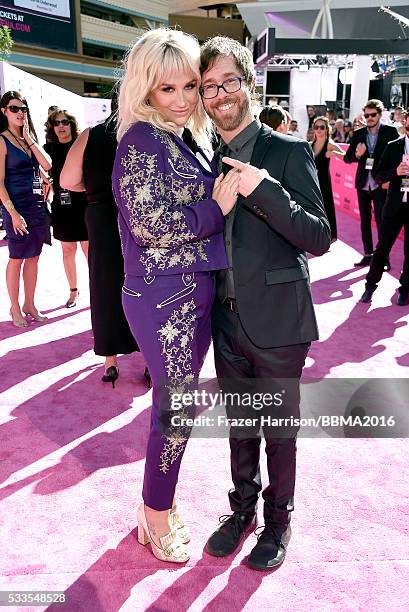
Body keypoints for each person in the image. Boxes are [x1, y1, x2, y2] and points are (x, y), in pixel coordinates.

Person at [199, 37, 330, 571]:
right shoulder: (202, 155)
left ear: (249, 85)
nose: (221, 93)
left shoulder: (287, 150)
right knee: (240, 426)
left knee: (279, 430)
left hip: (278, 322)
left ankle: (279, 520)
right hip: (224, 319)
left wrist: (265, 189)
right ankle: (243, 508)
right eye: (210, 86)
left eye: (230, 81)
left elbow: (320, 236)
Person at [112, 28, 236, 563]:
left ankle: (156, 503)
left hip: (195, 291)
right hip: (164, 296)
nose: (184, 99)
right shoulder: (141, 139)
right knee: (176, 409)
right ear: (145, 90)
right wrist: (217, 208)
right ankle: (154, 514)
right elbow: (147, 225)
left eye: (190, 86)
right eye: (168, 89)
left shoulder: (184, 136)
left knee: (179, 409)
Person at [60, 90, 145, 389]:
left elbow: (67, 181)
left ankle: (110, 361)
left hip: (101, 216)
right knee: (143, 286)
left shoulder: (90, 135)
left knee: (104, 284)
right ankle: (148, 360)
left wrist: (93, 189)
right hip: (138, 217)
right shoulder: (145, 134)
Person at [0, 91, 52, 327]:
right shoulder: (1, 140)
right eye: (14, 108)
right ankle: (14, 306)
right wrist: (12, 213)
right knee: (17, 258)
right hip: (16, 206)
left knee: (34, 257)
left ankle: (29, 304)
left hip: (36, 205)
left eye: (23, 109)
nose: (20, 113)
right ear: (4, 111)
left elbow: (47, 165)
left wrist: (29, 138)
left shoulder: (26, 139)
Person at [360, 110, 409, 306]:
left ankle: (405, 289)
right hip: (394, 208)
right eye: (408, 126)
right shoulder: (393, 147)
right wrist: (395, 172)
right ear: (404, 124)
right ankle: (370, 286)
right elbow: (379, 175)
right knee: (382, 249)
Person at [344, 99, 398, 267]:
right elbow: (347, 158)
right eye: (366, 115)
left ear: (380, 115)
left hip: (380, 184)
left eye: (373, 115)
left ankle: (384, 258)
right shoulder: (359, 133)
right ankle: (368, 254)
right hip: (363, 184)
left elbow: (396, 158)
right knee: (365, 222)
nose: (369, 118)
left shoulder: (390, 132)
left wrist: (390, 179)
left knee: (383, 223)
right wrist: (359, 155)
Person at [45, 109, 89, 308]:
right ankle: (73, 292)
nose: (61, 126)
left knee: (89, 251)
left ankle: (96, 291)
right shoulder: (48, 150)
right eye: (56, 123)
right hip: (62, 208)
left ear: (71, 124)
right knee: (67, 251)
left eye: (64, 122)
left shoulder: (82, 145)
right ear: (52, 128)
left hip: (84, 206)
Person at [310, 116, 345, 242]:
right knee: (313, 207)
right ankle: (316, 234)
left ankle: (330, 236)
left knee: (326, 207)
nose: (319, 130)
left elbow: (346, 156)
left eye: (322, 127)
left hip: (324, 181)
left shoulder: (329, 144)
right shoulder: (310, 144)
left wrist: (334, 154)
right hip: (312, 181)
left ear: (326, 129)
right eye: (316, 127)